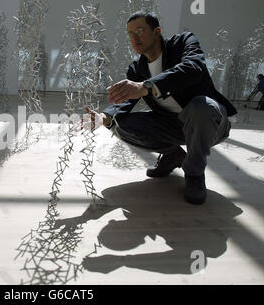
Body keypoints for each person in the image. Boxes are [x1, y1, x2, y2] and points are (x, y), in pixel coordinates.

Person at [84, 11, 237, 205]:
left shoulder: (183, 42)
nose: (134, 37)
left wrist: (146, 86)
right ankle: (173, 154)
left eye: (140, 30)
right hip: (173, 125)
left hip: (210, 123)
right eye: (130, 33)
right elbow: (125, 102)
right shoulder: (137, 68)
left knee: (201, 106)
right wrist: (103, 117)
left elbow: (193, 67)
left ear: (157, 31)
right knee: (120, 124)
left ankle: (194, 173)